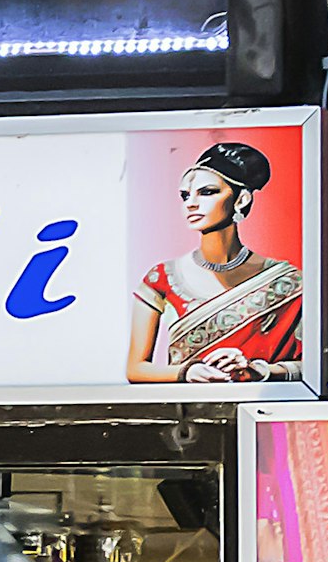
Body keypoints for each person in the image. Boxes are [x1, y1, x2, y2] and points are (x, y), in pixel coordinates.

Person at [127, 139, 303, 382]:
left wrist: (256, 369)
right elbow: (136, 369)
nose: (191, 203)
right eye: (185, 196)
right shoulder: (161, 278)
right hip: (186, 414)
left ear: (241, 199)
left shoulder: (288, 281)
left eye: (207, 192)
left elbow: (313, 369)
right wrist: (186, 372)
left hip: (263, 410)